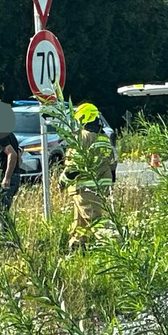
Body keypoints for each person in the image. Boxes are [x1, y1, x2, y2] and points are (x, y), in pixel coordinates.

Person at [66, 103, 116, 248]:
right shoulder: (104, 139)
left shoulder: (82, 138)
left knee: (94, 219)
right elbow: (112, 163)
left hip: (85, 187)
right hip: (101, 187)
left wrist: (63, 181)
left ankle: (113, 242)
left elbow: (73, 166)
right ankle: (76, 247)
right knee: (80, 222)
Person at [0, 117, 23, 235]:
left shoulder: (0, 135)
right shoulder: (10, 135)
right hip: (13, 176)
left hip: (6, 178)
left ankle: (9, 241)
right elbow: (19, 156)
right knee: (1, 211)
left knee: (1, 212)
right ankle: (9, 239)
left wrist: (7, 178)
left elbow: (12, 155)